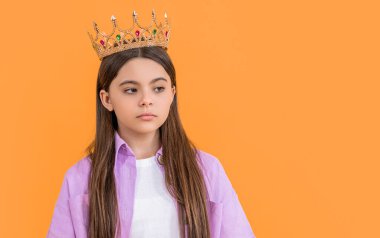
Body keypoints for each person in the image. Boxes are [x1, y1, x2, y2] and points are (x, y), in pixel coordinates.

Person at [47, 9, 255, 238]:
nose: (146, 100)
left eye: (158, 88)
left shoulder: (206, 170)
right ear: (107, 99)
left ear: (172, 94)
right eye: (130, 90)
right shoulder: (79, 179)